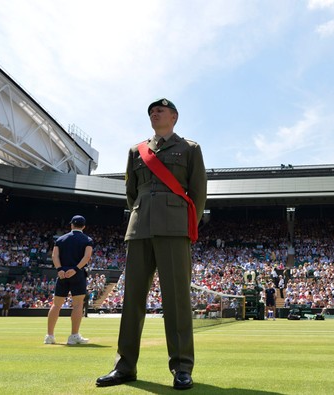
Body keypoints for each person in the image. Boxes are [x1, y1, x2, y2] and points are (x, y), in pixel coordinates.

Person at [97, 98, 207, 390]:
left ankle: (182, 367)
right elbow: (131, 193)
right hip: (140, 227)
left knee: (177, 301)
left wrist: (180, 220)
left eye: (160, 110)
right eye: (151, 112)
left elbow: (197, 193)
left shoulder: (190, 149)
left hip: (174, 229)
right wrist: (146, 211)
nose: (154, 113)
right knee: (131, 300)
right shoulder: (137, 151)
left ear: (174, 117)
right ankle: (124, 367)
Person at [44, 215, 93, 345]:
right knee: (78, 305)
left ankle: (49, 336)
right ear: (83, 226)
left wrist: (59, 269)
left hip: (62, 274)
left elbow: (55, 255)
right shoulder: (87, 239)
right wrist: (76, 269)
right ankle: (73, 336)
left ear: (71, 225)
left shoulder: (60, 239)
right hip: (77, 274)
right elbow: (87, 257)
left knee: (56, 305)